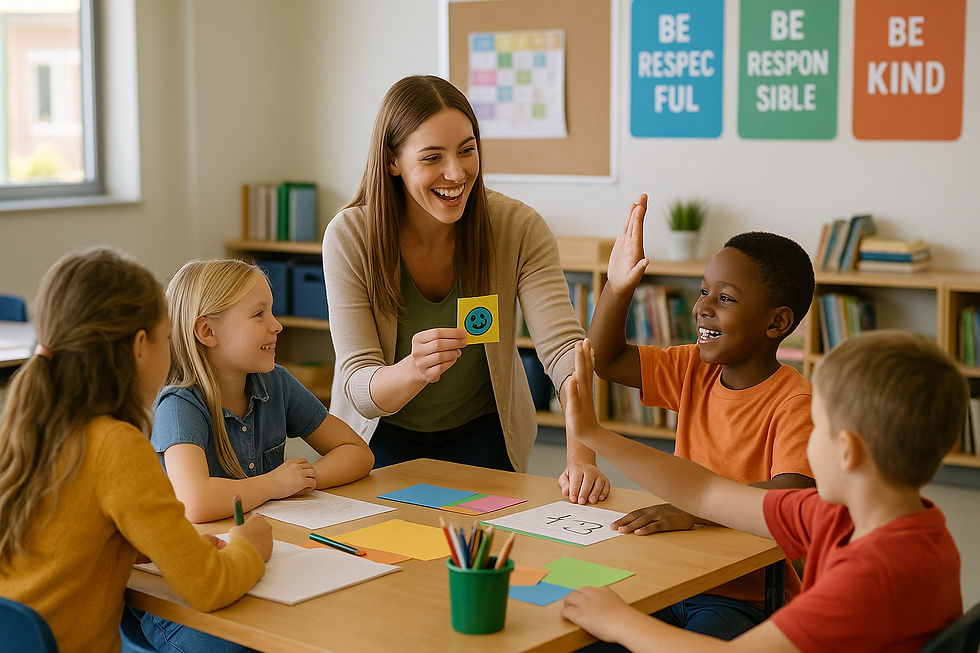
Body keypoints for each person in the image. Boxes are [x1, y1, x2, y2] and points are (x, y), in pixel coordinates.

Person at [561, 331, 965, 652]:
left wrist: (619, 621)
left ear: (847, 450)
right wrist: (595, 435)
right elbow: (703, 492)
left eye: (817, 427)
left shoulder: (872, 576)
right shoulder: (850, 515)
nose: (808, 441)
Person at [323, 74, 608, 501]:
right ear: (392, 161)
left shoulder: (518, 228)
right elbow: (358, 385)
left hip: (482, 430)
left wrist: (582, 455)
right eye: (433, 157)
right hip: (380, 435)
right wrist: (412, 370)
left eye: (467, 150)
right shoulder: (349, 236)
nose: (456, 173)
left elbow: (565, 353)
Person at [0, 248, 272, 653]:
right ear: (140, 346)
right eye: (166, 338)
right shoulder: (115, 445)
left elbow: (73, 538)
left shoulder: (25, 430)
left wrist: (173, 547)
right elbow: (209, 587)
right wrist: (249, 545)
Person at [575, 195, 816, 639]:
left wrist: (692, 510)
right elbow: (606, 360)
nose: (703, 307)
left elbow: (789, 495)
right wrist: (617, 287)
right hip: (673, 576)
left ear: (776, 323)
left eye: (725, 298)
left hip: (744, 595)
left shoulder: (793, 400)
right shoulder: (693, 368)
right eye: (704, 291)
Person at [142, 258, 374, 652]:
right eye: (258, 314)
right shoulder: (180, 403)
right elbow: (195, 501)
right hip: (181, 597)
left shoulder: (274, 382)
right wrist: (273, 484)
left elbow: (356, 452)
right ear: (207, 331)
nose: (277, 325)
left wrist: (307, 479)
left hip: (258, 567)